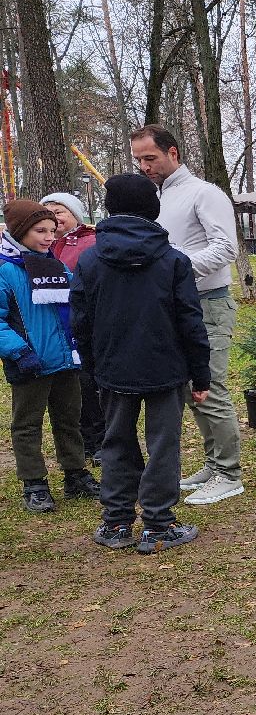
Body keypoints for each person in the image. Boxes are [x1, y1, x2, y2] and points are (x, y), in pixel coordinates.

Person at [73, 175, 211, 553]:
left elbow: (80, 322)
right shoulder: (173, 261)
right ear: (153, 208)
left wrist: (92, 366)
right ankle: (157, 524)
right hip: (162, 370)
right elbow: (191, 322)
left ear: (110, 208)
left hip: (116, 369)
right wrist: (202, 374)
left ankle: (117, 523)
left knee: (116, 441)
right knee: (163, 444)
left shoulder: (90, 259)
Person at [130, 124, 243, 506]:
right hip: (174, 307)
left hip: (208, 303)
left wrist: (174, 267)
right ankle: (214, 464)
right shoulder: (157, 198)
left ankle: (230, 473)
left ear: (173, 153)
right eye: (139, 160)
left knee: (209, 388)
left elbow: (226, 248)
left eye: (151, 158)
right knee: (193, 390)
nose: (145, 166)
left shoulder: (204, 193)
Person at [1, 200, 99, 512]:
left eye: (52, 231)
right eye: (40, 231)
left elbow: (74, 303)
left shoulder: (55, 265)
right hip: (29, 360)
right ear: (20, 232)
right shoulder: (5, 270)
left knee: (69, 418)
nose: (48, 237)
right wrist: (19, 351)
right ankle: (34, 483)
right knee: (27, 424)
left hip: (65, 359)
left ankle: (75, 474)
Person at [40, 192, 103, 459]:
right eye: (48, 212)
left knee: (90, 384)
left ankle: (99, 439)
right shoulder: (44, 245)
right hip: (58, 325)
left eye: (59, 211)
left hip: (84, 319)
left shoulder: (90, 242)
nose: (55, 217)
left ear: (75, 214)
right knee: (73, 388)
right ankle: (83, 440)